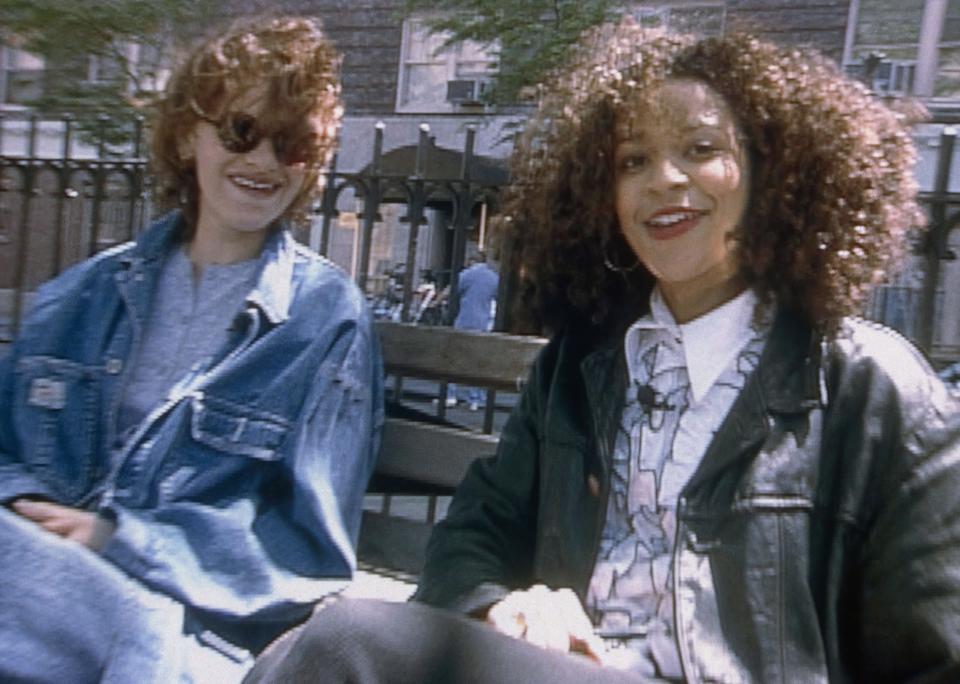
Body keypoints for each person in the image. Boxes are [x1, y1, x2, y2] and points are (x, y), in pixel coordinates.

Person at [244, 20, 960, 684]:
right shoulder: (582, 367)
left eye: (701, 149)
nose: (663, 178)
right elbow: (474, 533)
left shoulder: (875, 392)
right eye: (633, 160)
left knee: (340, 645)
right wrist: (503, 607)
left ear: (775, 173)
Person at [0, 16, 383, 684]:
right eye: (241, 130)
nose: (263, 159)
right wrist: (32, 517)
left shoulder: (325, 321)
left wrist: (121, 543)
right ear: (186, 136)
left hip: (178, 629)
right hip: (34, 595)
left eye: (291, 142)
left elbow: (306, 550)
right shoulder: (81, 296)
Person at [448, 251, 499, 410]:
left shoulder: (468, 274)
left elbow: (452, 290)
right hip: (484, 323)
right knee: (479, 363)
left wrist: (435, 301)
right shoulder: (494, 277)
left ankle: (450, 395)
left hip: (465, 320)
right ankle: (476, 399)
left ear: (471, 261)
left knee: (454, 360)